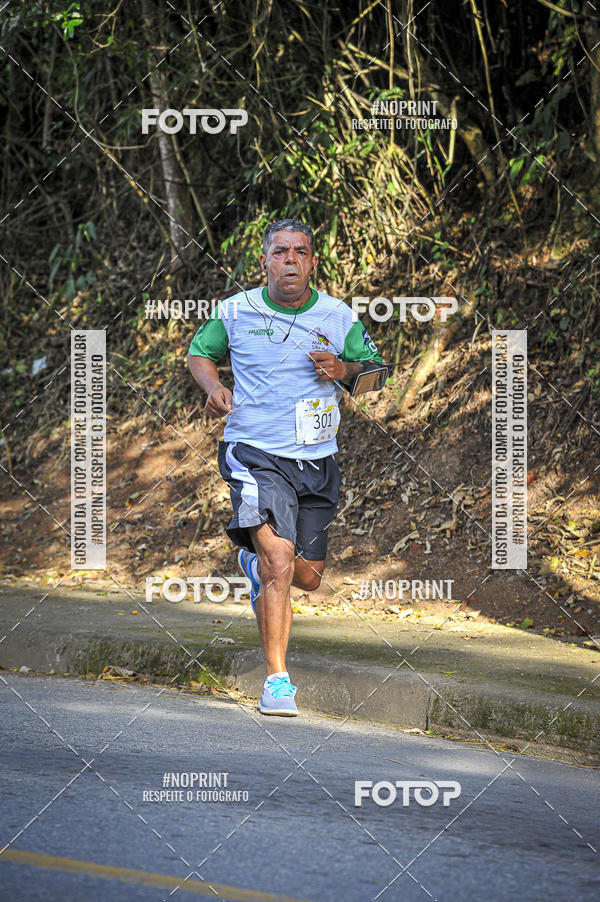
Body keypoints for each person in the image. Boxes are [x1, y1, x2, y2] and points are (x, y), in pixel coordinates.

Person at [187, 219, 383, 716]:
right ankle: (277, 681)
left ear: (313, 262)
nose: (290, 260)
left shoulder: (338, 317)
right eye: (280, 252)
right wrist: (213, 388)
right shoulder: (235, 310)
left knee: (309, 577)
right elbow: (199, 353)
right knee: (280, 561)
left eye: (300, 252)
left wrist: (346, 372)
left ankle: (252, 565)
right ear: (265, 261)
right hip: (253, 452)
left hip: (317, 459)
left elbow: (377, 377)